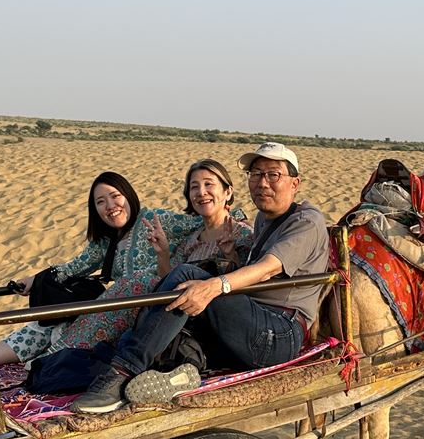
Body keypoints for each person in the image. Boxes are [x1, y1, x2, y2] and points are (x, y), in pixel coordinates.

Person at [66, 141, 329, 413]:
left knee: (190, 277)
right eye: (256, 174)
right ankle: (181, 373)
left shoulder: (306, 221)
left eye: (273, 175)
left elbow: (269, 268)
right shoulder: (264, 219)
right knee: (179, 307)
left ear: (294, 183)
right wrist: (227, 261)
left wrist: (215, 285)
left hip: (278, 332)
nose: (263, 183)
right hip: (250, 321)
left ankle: (121, 374)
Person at [0, 165, 249, 377]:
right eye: (100, 202)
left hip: (148, 309)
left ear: (129, 197)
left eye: (115, 197)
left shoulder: (156, 220)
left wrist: (235, 220)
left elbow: (207, 220)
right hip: (123, 306)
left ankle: (29, 364)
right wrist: (34, 279)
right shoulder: (107, 242)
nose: (110, 206)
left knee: (71, 323)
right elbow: (74, 266)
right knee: (48, 324)